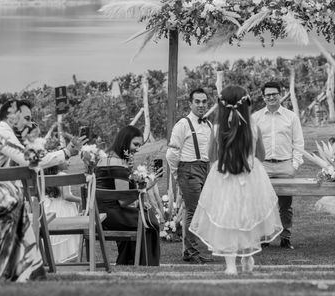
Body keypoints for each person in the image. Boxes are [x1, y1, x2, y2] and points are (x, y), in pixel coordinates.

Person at [0, 99, 84, 281]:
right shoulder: (1, 134)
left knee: (19, 205)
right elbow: (31, 161)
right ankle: (26, 271)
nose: (30, 124)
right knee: (19, 207)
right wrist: (66, 152)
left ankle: (17, 269)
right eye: (27, 118)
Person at [190, 85, 282, 275]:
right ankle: (247, 255)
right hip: (250, 178)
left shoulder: (217, 128)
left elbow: (212, 156)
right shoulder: (253, 127)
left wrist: (224, 160)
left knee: (228, 218)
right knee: (248, 215)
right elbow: (261, 156)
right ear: (245, 104)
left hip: (224, 178)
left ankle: (231, 266)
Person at [96, 125, 161, 266]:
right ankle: (145, 264)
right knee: (150, 221)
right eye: (135, 144)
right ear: (125, 141)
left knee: (143, 214)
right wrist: (145, 188)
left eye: (140, 145)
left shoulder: (104, 159)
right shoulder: (118, 164)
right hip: (111, 215)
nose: (138, 149)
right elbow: (123, 201)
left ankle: (126, 261)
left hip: (98, 213)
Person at [251, 81, 304, 250]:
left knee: (285, 205)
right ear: (263, 97)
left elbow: (298, 142)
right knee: (262, 203)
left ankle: (285, 237)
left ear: (281, 94)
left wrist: (294, 165)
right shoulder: (256, 117)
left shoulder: (291, 117)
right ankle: (264, 237)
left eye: (274, 94)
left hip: (285, 166)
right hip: (263, 166)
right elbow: (250, 143)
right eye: (268, 95)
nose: (271, 97)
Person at [166, 88, 214, 264]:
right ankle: (192, 253)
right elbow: (171, 153)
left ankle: (191, 251)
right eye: (197, 101)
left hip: (204, 168)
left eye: (204, 101)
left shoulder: (208, 124)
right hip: (189, 169)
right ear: (190, 103)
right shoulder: (183, 125)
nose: (201, 105)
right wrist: (177, 174)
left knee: (197, 211)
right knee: (194, 211)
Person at [42, 161, 82, 263]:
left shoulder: (44, 175)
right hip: (63, 210)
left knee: (51, 236)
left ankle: (51, 259)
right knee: (64, 235)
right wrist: (81, 200)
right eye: (65, 160)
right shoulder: (63, 176)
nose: (69, 162)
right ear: (57, 163)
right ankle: (63, 260)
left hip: (49, 209)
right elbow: (66, 196)